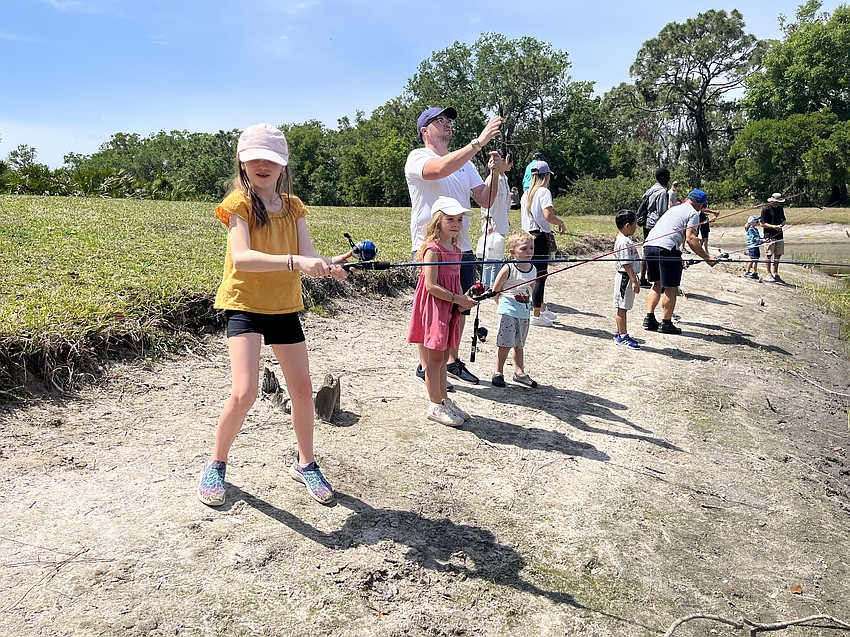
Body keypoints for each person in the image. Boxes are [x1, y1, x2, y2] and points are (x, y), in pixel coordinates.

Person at [198, 124, 350, 508]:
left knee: (301, 390)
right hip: (244, 304)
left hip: (284, 307)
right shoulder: (239, 205)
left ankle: (306, 463)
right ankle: (216, 464)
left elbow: (308, 253)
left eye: (272, 159)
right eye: (255, 159)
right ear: (243, 163)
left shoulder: (294, 206)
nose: (263, 165)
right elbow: (243, 258)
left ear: (283, 166)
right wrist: (297, 261)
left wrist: (327, 265)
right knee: (245, 390)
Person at [405, 106, 504, 387]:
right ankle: (426, 367)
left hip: (463, 247)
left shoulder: (467, 164)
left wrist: (494, 175)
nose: (447, 124)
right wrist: (478, 143)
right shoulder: (418, 157)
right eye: (439, 120)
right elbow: (438, 170)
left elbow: (485, 199)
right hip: (432, 248)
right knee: (433, 307)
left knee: (460, 307)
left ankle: (450, 362)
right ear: (425, 131)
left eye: (448, 120)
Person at [407, 196, 478, 427]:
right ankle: (434, 405)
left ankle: (444, 399)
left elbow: (455, 280)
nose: (456, 223)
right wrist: (457, 298)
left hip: (450, 307)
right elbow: (430, 286)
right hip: (435, 307)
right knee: (434, 359)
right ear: (438, 221)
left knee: (445, 355)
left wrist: (463, 300)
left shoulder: (457, 250)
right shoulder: (432, 250)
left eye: (459, 219)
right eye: (450, 219)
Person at [642, 189, 719, 334]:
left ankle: (649, 318)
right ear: (701, 204)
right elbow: (690, 239)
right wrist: (707, 258)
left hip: (649, 246)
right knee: (671, 286)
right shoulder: (693, 214)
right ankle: (666, 323)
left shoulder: (675, 209)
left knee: (657, 283)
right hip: (666, 249)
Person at [520, 160, 566, 327]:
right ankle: (537, 314)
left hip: (526, 235)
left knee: (530, 275)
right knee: (541, 276)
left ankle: (538, 307)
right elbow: (548, 215)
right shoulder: (544, 192)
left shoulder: (526, 194)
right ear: (546, 176)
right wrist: (560, 222)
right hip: (539, 238)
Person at [490, 230, 538, 388]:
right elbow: (495, 290)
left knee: (519, 344)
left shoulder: (533, 269)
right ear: (512, 252)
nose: (529, 252)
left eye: (531, 248)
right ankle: (498, 372)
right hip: (508, 311)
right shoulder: (508, 268)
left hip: (523, 312)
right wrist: (503, 306)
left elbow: (531, 289)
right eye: (524, 249)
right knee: (505, 343)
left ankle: (519, 372)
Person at [479, 150, 513, 288]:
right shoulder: (492, 179)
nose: (511, 164)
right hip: (493, 224)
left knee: (498, 256)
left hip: (502, 223)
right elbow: (485, 203)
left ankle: (494, 284)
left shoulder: (504, 179)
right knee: (490, 257)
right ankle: (486, 284)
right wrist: (488, 221)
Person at [612, 209, 641, 349]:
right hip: (625, 277)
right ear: (627, 225)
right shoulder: (623, 242)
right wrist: (634, 280)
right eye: (635, 224)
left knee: (624, 306)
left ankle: (621, 332)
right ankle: (622, 336)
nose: (636, 227)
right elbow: (626, 263)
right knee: (622, 307)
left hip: (628, 276)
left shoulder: (627, 240)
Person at [638, 167, 671, 287]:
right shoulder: (662, 192)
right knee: (658, 251)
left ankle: (642, 278)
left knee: (646, 250)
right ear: (662, 177)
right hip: (655, 225)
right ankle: (658, 281)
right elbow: (662, 212)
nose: (669, 179)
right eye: (668, 177)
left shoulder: (651, 189)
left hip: (647, 223)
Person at [760, 192, 787, 283]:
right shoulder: (766, 209)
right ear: (772, 201)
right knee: (768, 254)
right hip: (769, 235)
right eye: (775, 202)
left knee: (778, 254)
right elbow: (762, 223)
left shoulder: (780, 208)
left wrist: (781, 225)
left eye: (778, 202)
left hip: (779, 235)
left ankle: (775, 273)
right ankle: (768, 274)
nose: (777, 203)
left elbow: (784, 220)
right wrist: (773, 227)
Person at [744, 215, 762, 280]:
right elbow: (753, 239)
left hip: (756, 246)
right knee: (752, 259)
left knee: (756, 260)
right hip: (752, 246)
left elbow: (759, 238)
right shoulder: (750, 230)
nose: (758, 222)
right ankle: (747, 272)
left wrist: (764, 240)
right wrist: (761, 240)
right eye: (756, 221)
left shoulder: (756, 229)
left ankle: (754, 272)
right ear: (752, 222)